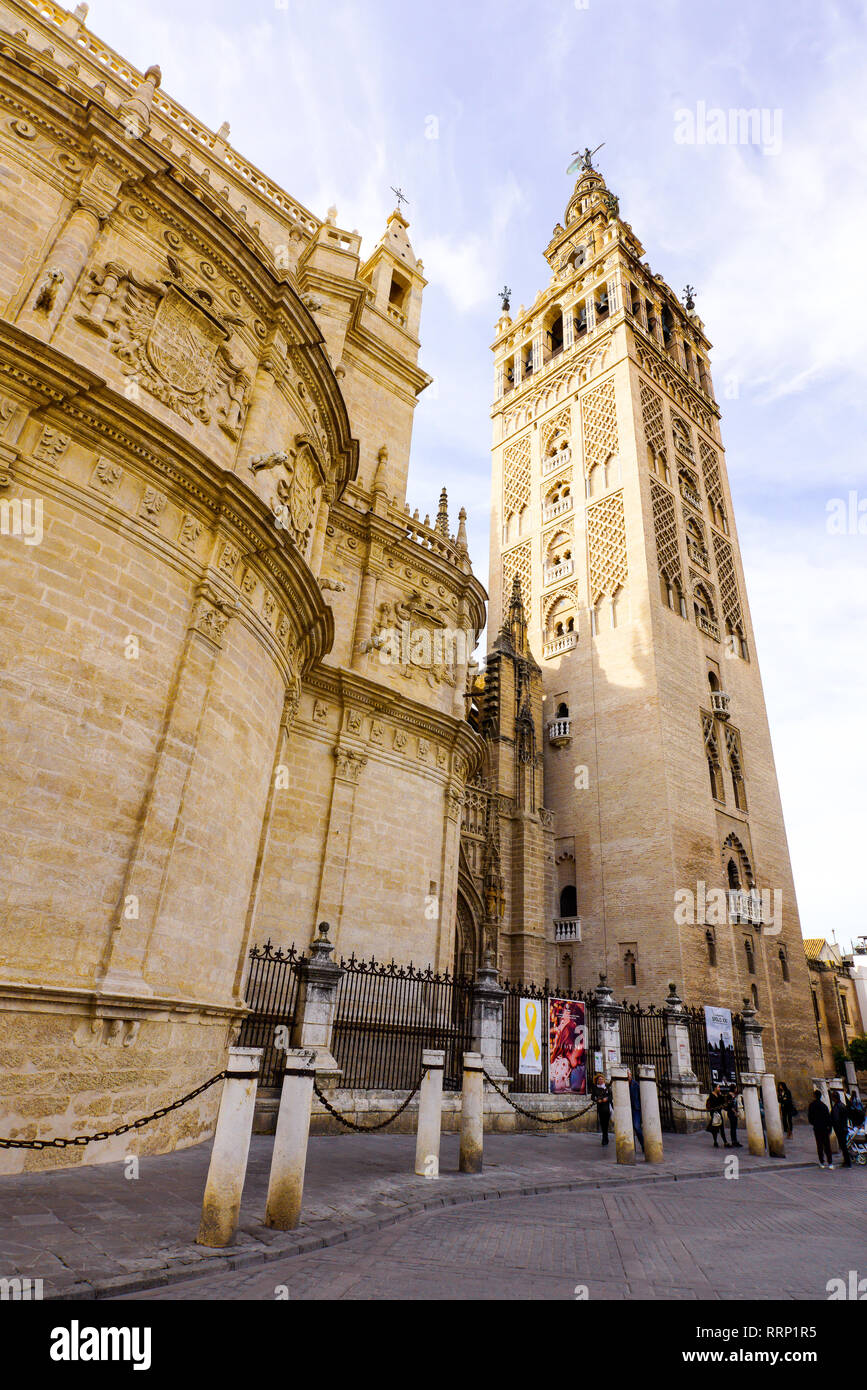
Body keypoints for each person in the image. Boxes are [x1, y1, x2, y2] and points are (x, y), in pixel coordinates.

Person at [807, 1089, 833, 1168]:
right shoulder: (824, 1106)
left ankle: (821, 1162)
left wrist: (814, 1123)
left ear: (814, 1096)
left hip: (817, 1127)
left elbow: (810, 1117)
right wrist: (829, 1128)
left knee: (819, 1145)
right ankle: (830, 1163)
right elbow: (828, 1118)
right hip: (825, 1127)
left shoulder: (811, 1105)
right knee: (827, 1145)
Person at [830, 1094, 852, 1168]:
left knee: (843, 1146)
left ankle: (847, 1162)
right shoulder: (842, 1105)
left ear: (834, 1098)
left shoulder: (837, 1107)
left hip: (840, 1129)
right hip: (844, 1128)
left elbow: (836, 1119)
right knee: (844, 1145)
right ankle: (847, 1161)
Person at [706, 1084, 729, 1148]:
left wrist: (721, 1096)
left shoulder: (719, 1095)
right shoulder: (711, 1096)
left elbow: (723, 1102)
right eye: (718, 1087)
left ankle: (725, 1142)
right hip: (714, 1113)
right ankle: (715, 1141)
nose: (719, 1089)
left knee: (721, 1127)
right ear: (715, 1088)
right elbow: (711, 1104)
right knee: (715, 1128)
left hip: (719, 1112)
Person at [627, 1069, 644, 1152]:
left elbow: (640, 1096)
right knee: (628, 1129)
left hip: (635, 1109)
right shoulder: (622, 1085)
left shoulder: (636, 1085)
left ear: (631, 1075)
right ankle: (631, 1147)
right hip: (626, 1109)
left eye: (628, 1074)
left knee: (637, 1127)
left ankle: (643, 1145)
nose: (627, 1076)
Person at [592, 1073, 612, 1146]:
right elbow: (592, 1097)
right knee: (602, 1123)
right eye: (599, 1079)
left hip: (606, 1108)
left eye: (602, 1079)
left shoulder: (607, 1087)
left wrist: (606, 1099)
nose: (601, 1080)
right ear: (597, 1080)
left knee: (606, 1123)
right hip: (600, 1108)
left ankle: (605, 1137)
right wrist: (597, 1100)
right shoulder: (595, 1088)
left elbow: (611, 1096)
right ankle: (605, 1136)